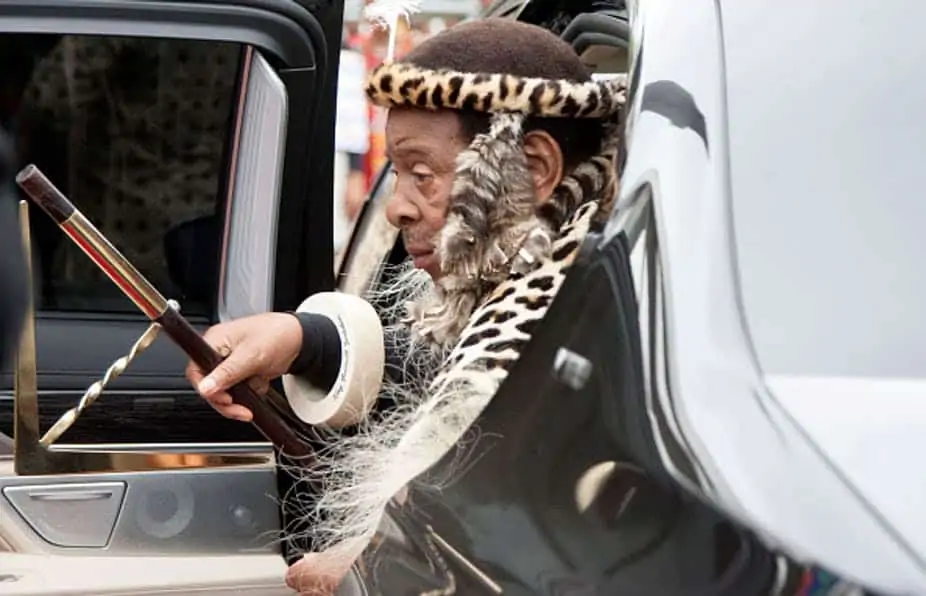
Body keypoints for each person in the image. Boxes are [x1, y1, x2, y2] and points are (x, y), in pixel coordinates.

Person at [186, 18, 625, 593]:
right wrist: (298, 341)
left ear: (533, 169)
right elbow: (431, 361)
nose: (397, 209)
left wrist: (377, 554)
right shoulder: (516, 282)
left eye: (422, 175)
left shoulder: (605, 321)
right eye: (398, 174)